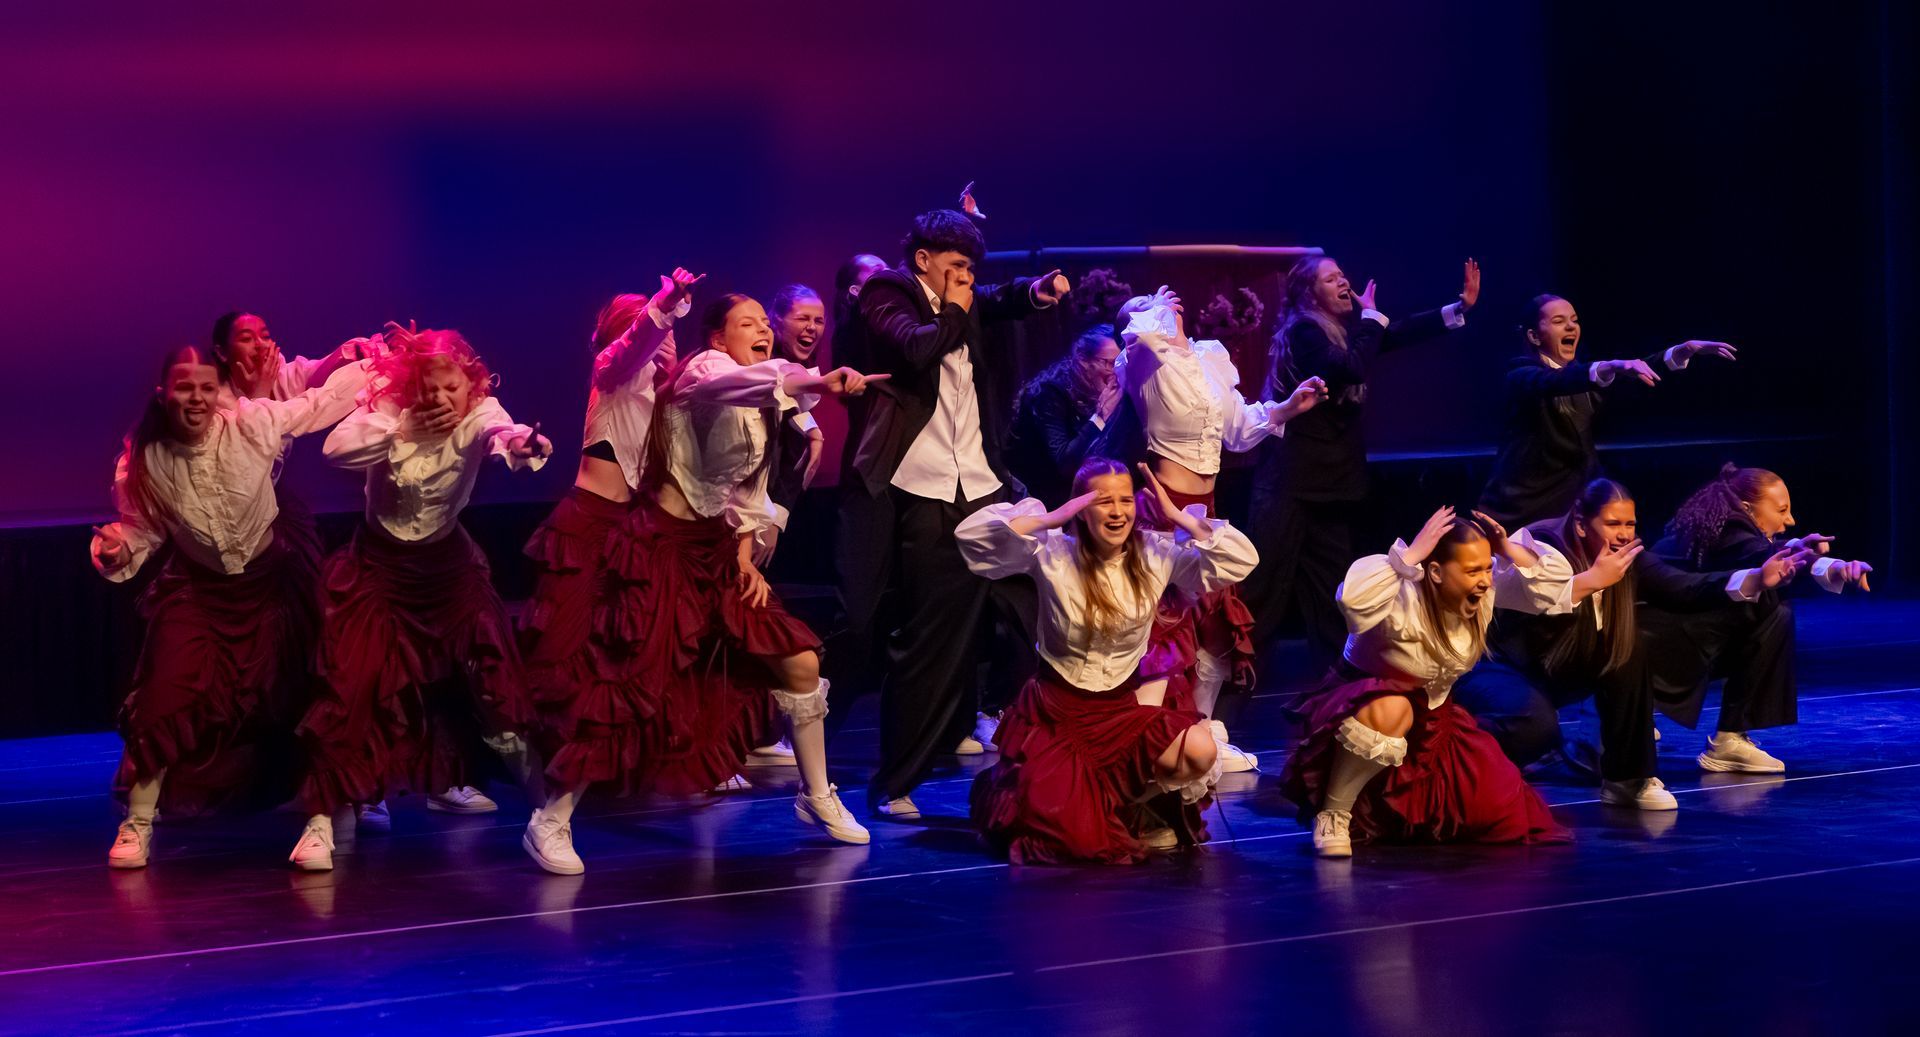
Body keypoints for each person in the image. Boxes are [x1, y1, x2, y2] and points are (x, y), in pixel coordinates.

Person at [523, 294, 886, 874]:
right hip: (660, 549)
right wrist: (810, 380)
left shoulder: (760, 400)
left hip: (713, 552)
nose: (764, 331)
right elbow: (743, 386)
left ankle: (817, 795)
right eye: (749, 324)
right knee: (629, 683)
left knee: (799, 661)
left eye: (767, 324)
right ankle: (551, 819)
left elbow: (747, 490)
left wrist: (743, 554)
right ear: (718, 338)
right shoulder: (703, 373)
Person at [90, 344, 370, 868]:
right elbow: (141, 529)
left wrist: (378, 363)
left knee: (306, 691)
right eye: (183, 388)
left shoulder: (250, 423)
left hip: (272, 587)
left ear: (218, 391)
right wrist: (118, 547)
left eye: (205, 387)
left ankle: (324, 816)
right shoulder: (145, 458)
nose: (195, 398)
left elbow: (320, 403)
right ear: (164, 394)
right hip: (201, 593)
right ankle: (139, 821)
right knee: (165, 692)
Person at [288, 329, 552, 871]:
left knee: (495, 688)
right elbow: (337, 449)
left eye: (450, 388)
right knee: (350, 684)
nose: (438, 399)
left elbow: (501, 432)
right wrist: (404, 425)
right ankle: (322, 819)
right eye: (428, 388)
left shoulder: (483, 410)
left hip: (447, 570)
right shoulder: (388, 408)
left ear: (470, 385)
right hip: (379, 568)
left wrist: (522, 445)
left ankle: (551, 817)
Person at [839, 209, 1068, 819]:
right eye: (957, 266)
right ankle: (894, 783)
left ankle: (1044, 758)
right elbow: (915, 348)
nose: (968, 279)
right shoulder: (888, 292)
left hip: (983, 487)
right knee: (930, 643)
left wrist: (1034, 293)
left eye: (972, 268)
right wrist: (960, 309)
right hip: (927, 492)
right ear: (923, 261)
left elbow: (997, 298)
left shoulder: (965, 298)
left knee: (1037, 609)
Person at [959, 458, 1257, 863]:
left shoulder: (1155, 552)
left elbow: (1239, 560)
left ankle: (1118, 804)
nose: (1118, 511)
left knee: (1200, 749)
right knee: (1072, 839)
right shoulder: (1053, 554)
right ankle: (1077, 798)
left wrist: (1176, 517)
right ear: (1083, 507)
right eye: (1103, 501)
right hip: (1057, 714)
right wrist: (1050, 518)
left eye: (1125, 500)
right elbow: (973, 540)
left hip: (1118, 712)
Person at [1451, 478, 1806, 810]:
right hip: (1504, 668)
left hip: (1563, 667)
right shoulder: (1545, 544)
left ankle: (1627, 779)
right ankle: (1453, 763)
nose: (1623, 535)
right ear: (1580, 523)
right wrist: (1590, 578)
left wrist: (1758, 578)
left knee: (1629, 648)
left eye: (1629, 524)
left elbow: (1682, 587)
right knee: (1534, 727)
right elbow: (1541, 579)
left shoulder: (1626, 558)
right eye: (1612, 524)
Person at [1103, 289, 1325, 771]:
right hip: (1165, 505)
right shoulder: (1141, 360)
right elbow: (1142, 336)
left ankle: (1199, 729)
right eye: (1149, 301)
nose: (1165, 299)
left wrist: (1285, 408)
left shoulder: (1208, 357)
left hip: (1205, 506)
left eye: (1164, 298)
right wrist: (1152, 308)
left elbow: (1236, 430)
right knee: (1165, 627)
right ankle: (1151, 734)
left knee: (1213, 626)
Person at [1279, 507, 1573, 858]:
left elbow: (1553, 587)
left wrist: (1507, 549)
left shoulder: (1484, 592)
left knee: (1498, 807)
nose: (1484, 579)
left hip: (1434, 727)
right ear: (1435, 572)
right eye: (1471, 570)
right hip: (1362, 710)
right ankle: (1334, 811)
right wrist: (1411, 555)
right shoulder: (1400, 594)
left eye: (1487, 568)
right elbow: (1353, 601)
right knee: (1394, 708)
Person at [1241, 256, 1479, 669]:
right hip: (1290, 486)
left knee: (1335, 594)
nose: (1342, 281)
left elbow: (1394, 334)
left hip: (1330, 487)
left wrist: (1457, 309)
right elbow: (1347, 368)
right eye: (1330, 278)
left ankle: (1340, 693)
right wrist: (1370, 319)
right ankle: (1227, 683)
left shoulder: (1342, 335)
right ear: (1308, 293)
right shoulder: (1304, 331)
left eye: (1342, 275)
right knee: (1265, 592)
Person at [518, 270, 698, 795]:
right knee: (564, 644)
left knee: (626, 652)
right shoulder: (612, 374)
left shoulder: (669, 395)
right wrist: (663, 305)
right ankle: (544, 768)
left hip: (635, 534)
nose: (667, 342)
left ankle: (610, 766)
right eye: (659, 332)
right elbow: (632, 347)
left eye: (671, 335)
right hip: (589, 525)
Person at [1642, 464, 1873, 773]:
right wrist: (1832, 567)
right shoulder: (1728, 531)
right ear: (1748, 508)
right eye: (1781, 510)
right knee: (1772, 609)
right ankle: (1712, 734)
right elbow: (1761, 557)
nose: (1789, 520)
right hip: (1651, 645)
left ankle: (1727, 737)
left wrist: (1799, 548)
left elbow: (1760, 552)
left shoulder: (1721, 525)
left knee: (1772, 610)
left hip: (1675, 634)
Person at [1477, 294, 1738, 528]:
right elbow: (1554, 382)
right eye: (1559, 321)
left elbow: (1635, 371)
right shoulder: (1520, 375)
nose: (1571, 326)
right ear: (1534, 336)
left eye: (1574, 320)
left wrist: (1680, 352)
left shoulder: (1583, 376)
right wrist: (1607, 366)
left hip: (1573, 504)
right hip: (1524, 509)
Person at [1006, 323, 1121, 507]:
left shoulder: (1108, 391)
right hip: (1040, 500)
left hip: (1078, 495)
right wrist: (1100, 417)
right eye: (1109, 363)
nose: (1116, 371)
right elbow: (1065, 464)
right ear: (1084, 360)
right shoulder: (1050, 394)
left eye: (1120, 362)